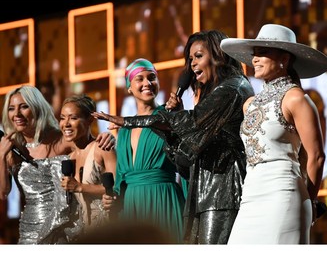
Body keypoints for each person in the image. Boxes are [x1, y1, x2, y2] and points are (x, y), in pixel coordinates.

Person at [92, 30, 255, 244]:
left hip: (190, 197)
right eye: (190, 59)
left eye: (198, 56)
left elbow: (191, 135)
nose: (192, 65)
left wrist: (130, 120)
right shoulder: (124, 133)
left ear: (218, 55)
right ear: (129, 88)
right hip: (154, 202)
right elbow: (185, 158)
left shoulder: (230, 89)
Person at [220, 23, 327, 244]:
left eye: (263, 52)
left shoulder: (296, 99)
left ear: (285, 59)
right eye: (254, 54)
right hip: (250, 196)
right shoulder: (249, 104)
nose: (255, 59)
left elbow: (316, 156)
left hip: (284, 195)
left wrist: (309, 201)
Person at [0, 85, 115, 244]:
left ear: (37, 108)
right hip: (31, 230)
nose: (17, 114)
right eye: (11, 108)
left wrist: (108, 138)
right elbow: (2, 192)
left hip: (67, 226)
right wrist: (1, 155)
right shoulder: (10, 150)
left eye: (24, 107)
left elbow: (90, 145)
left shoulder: (61, 140)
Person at [99, 58, 186, 244]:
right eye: (140, 79)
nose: (147, 83)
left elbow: (186, 160)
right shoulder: (123, 130)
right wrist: (112, 198)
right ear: (129, 87)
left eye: (152, 77)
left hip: (164, 200)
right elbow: (121, 176)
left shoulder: (167, 116)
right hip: (131, 208)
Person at [59, 94, 117, 237]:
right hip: (83, 234)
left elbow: (118, 187)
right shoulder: (70, 158)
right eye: (62, 118)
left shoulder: (102, 147)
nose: (66, 123)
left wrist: (80, 187)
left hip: (108, 229)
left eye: (73, 118)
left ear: (90, 120)